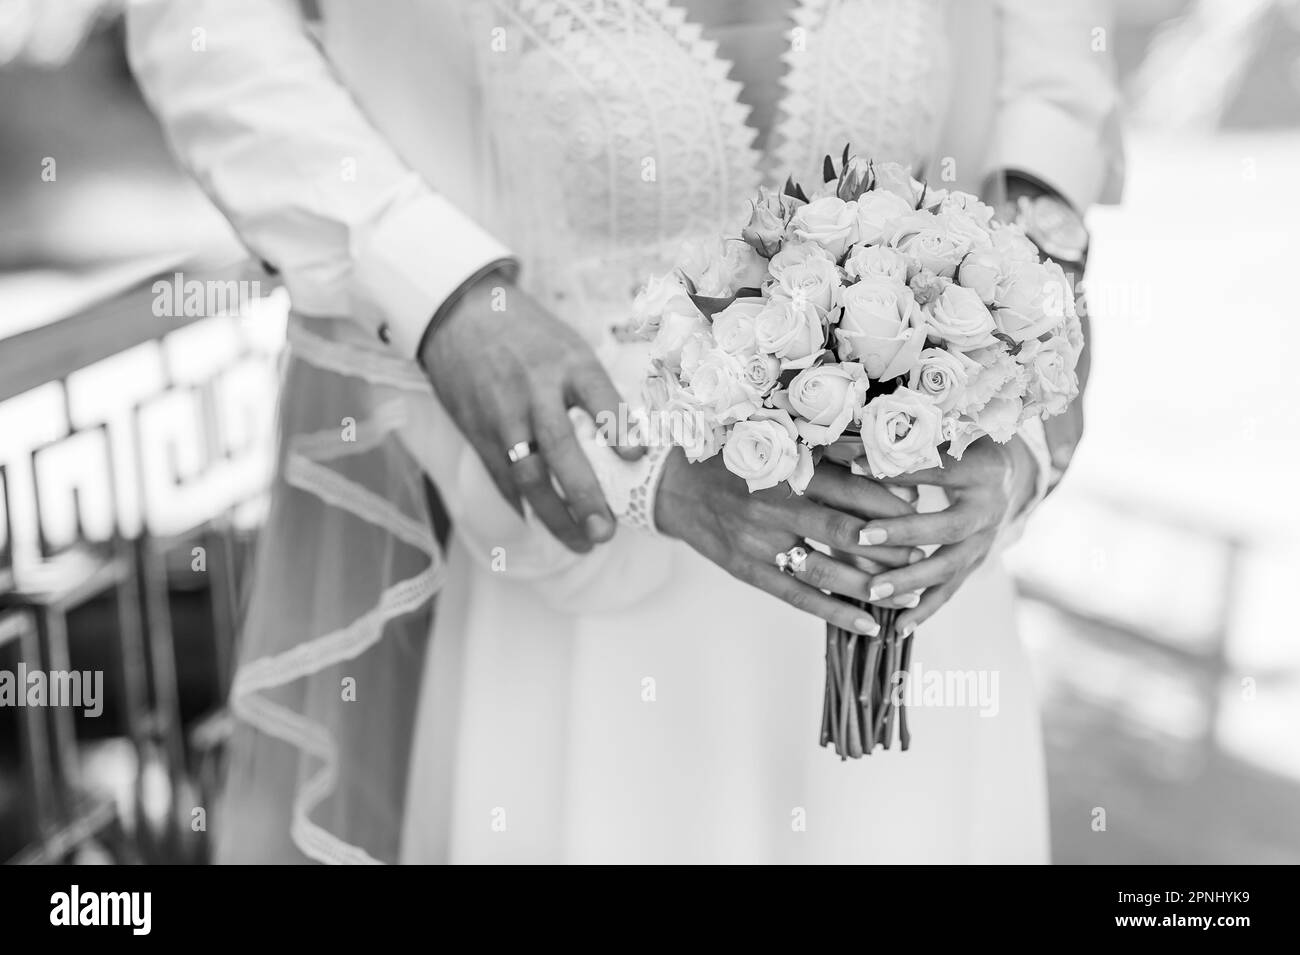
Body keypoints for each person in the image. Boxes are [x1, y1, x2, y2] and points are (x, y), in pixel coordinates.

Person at [127, 0, 1122, 863]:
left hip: (918, 593)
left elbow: (1050, 74)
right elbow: (203, 30)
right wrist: (432, 282)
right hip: (576, 582)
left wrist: (1026, 318)